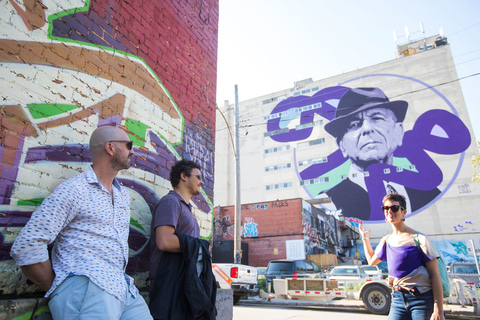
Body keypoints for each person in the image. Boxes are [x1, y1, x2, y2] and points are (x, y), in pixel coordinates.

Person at [10, 126, 152, 320]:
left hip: (124, 289)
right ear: (110, 148)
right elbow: (27, 244)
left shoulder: (122, 196)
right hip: (87, 289)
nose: (132, 151)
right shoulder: (74, 190)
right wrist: (60, 287)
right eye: (128, 145)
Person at [320, 87, 440, 220]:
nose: (367, 128)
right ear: (342, 145)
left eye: (377, 118)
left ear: (399, 132)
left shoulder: (430, 192)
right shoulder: (329, 202)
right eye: (354, 124)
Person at [149, 159, 216, 320]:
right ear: (183, 176)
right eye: (198, 177)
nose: (201, 182)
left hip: (184, 283)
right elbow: (164, 241)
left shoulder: (186, 209)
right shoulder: (171, 202)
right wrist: (201, 247)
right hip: (169, 284)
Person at [360, 193, 444, 320]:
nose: (389, 211)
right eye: (386, 208)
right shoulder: (387, 241)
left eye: (394, 208)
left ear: (403, 212)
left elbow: (435, 275)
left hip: (421, 299)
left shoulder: (419, 239)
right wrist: (365, 237)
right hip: (397, 299)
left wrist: (439, 310)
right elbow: (371, 261)